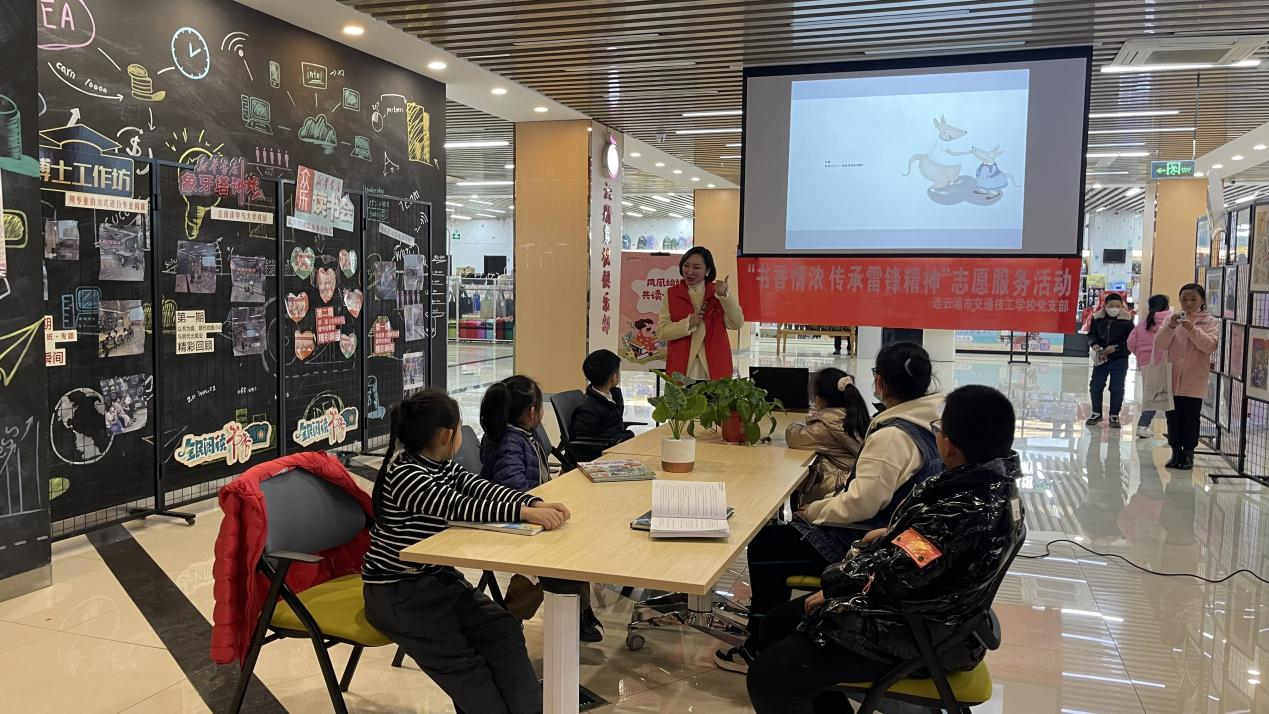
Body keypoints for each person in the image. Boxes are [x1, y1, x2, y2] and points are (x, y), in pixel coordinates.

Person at [745, 385, 1026, 714]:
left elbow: (898, 572)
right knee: (775, 627)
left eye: (939, 430)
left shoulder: (960, 513)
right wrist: (892, 535)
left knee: (768, 678)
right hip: (937, 615)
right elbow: (922, 555)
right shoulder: (993, 487)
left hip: (915, 629)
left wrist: (835, 587)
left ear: (950, 445)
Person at [716, 342, 944, 673]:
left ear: (880, 381)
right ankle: (768, 633)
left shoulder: (894, 436)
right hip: (896, 538)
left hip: (865, 542)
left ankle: (758, 647)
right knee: (775, 538)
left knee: (766, 544)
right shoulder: (929, 424)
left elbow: (862, 503)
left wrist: (815, 511)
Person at [362, 389, 570, 714]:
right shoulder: (404, 473)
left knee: (503, 630)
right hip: (397, 592)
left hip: (438, 581)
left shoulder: (439, 463)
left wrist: (531, 502)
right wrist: (523, 513)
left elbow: (477, 487)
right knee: (465, 665)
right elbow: (460, 506)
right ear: (447, 435)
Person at [479, 375, 605, 641]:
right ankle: (511, 615)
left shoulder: (523, 434)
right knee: (556, 559)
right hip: (512, 515)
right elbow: (513, 490)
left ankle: (580, 611)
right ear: (532, 412)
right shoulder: (509, 443)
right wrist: (538, 502)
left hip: (529, 508)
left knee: (574, 544)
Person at [1155, 284, 1219, 470]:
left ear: (1202, 301)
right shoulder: (1171, 319)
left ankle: (1189, 455)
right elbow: (1160, 344)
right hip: (1171, 377)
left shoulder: (1210, 322)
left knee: (1190, 418)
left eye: (1193, 299)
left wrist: (1192, 329)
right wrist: (1171, 327)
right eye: (1184, 299)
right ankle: (1175, 453)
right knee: (1172, 418)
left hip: (1194, 379)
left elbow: (1209, 346)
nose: (1188, 303)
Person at [658, 246, 744, 381]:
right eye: (686, 266)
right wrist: (687, 324)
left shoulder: (718, 293)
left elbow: (737, 323)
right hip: (681, 367)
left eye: (696, 267)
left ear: (707, 270)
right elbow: (662, 331)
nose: (689, 271)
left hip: (714, 366)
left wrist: (725, 297)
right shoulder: (672, 294)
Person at [784, 368, 869, 503]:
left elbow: (793, 436)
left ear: (818, 400)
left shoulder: (825, 427)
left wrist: (802, 422)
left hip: (837, 491)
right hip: (857, 486)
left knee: (797, 481)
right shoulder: (857, 417)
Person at [570, 349, 635, 461]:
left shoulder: (612, 396)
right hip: (603, 457)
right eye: (618, 372)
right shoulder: (588, 409)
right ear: (614, 377)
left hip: (615, 447)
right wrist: (615, 442)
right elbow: (581, 443)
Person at [1085, 292, 1134, 429]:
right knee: (1096, 385)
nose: (1114, 309)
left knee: (1117, 387)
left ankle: (1114, 415)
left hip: (1120, 358)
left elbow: (1131, 340)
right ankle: (1096, 413)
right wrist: (1094, 344)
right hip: (1101, 358)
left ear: (1122, 306)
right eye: (1111, 306)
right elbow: (1091, 334)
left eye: (1118, 306)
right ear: (1105, 306)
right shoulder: (1097, 318)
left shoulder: (1127, 320)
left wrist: (1117, 348)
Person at [1127, 294, 1172, 439]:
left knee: (1151, 395)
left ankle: (1143, 425)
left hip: (1147, 363)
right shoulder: (1172, 321)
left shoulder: (1144, 323)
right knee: (1171, 396)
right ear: (1167, 306)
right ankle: (1173, 429)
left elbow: (1131, 342)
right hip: (1169, 362)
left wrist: (1140, 354)